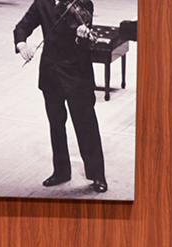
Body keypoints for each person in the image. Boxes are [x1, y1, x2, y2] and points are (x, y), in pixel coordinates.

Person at [14, 0, 108, 194]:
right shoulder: (42, 3)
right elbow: (22, 27)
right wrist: (21, 43)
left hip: (76, 74)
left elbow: (84, 42)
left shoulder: (83, 3)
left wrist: (82, 36)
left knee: (86, 126)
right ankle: (61, 171)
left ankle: (97, 175)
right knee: (56, 126)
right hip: (51, 74)